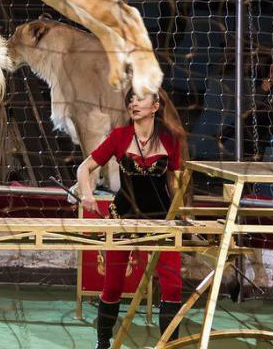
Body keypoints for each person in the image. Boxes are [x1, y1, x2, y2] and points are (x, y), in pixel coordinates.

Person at [76, 89, 189, 349]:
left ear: (156, 105)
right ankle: (102, 343)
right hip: (122, 218)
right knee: (113, 286)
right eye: (131, 99)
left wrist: (181, 214)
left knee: (172, 286)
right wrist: (87, 194)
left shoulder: (170, 139)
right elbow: (84, 168)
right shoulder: (119, 136)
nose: (133, 103)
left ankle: (168, 346)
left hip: (161, 220)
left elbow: (176, 182)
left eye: (140, 98)